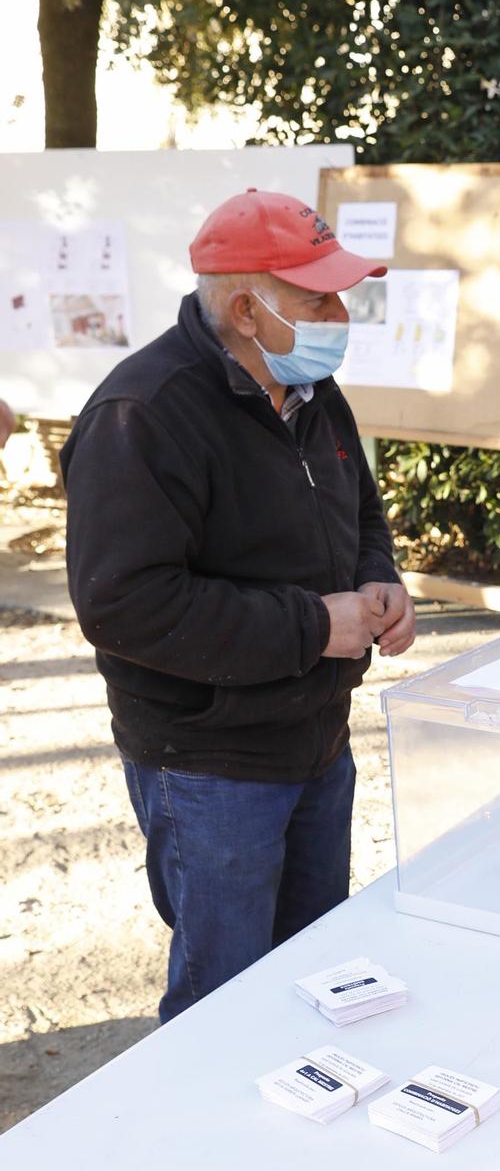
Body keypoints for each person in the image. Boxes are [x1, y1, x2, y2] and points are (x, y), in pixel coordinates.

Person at [61, 188, 415, 1022]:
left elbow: (357, 509)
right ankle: (193, 1144)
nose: (341, 311)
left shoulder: (313, 388)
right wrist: (314, 625)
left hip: (317, 736)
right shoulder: (142, 413)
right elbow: (126, 605)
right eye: (318, 296)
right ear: (249, 310)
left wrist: (378, 578)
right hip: (209, 760)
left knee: (314, 970)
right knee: (222, 998)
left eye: (340, 291)